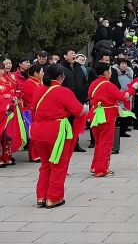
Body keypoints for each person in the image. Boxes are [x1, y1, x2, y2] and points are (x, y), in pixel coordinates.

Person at [30, 64, 87, 208]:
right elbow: (78, 111)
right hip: (57, 131)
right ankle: (54, 197)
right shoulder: (63, 92)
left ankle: (41, 196)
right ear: (61, 77)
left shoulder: (38, 90)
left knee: (45, 165)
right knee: (58, 165)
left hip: (38, 131)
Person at [87, 62, 132, 177]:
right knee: (106, 143)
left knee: (98, 142)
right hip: (107, 114)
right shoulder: (108, 85)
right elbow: (121, 97)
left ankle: (95, 166)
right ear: (106, 72)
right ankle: (102, 169)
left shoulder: (93, 84)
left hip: (95, 114)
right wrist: (129, 92)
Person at [22, 64, 45, 162]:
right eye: (41, 71)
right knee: (34, 134)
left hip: (39, 110)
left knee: (40, 134)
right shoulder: (29, 82)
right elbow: (29, 99)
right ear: (35, 73)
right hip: (32, 111)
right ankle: (34, 155)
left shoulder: (39, 82)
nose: (43, 73)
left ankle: (40, 153)